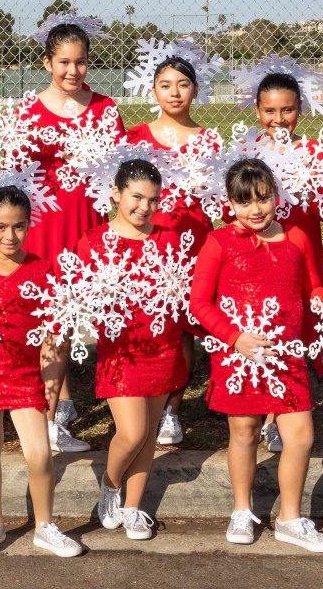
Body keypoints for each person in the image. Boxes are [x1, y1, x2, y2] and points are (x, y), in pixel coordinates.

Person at [190, 158, 323, 552]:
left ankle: (290, 518)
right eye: (245, 202)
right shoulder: (219, 242)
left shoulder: (296, 238)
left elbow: (312, 290)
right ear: (230, 203)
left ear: (276, 195)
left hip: (286, 354)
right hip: (239, 354)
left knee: (301, 436)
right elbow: (200, 304)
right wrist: (234, 338)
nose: (255, 210)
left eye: (263, 199)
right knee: (245, 433)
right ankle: (242, 509)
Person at [0, 184, 83, 557]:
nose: (9, 235)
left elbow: (53, 333)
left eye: (18, 227)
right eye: (0, 226)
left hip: (26, 378)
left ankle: (44, 526)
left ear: (30, 226)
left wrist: (50, 385)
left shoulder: (42, 270)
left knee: (40, 455)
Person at [21, 16, 125, 452]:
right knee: (53, 324)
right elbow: (15, 176)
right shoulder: (30, 110)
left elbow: (122, 172)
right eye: (63, 62)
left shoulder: (105, 109)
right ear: (48, 62)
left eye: (81, 62)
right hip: (47, 227)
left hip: (92, 227)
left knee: (102, 321)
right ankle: (46, 425)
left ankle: (114, 408)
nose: (72, 71)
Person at [83, 159, 187, 541]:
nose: (145, 207)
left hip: (163, 346)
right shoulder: (94, 241)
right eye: (137, 197)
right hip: (122, 351)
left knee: (149, 434)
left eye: (154, 200)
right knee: (133, 432)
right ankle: (110, 484)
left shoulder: (168, 238)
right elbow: (81, 293)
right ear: (116, 194)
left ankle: (134, 506)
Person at [125, 56, 219, 448]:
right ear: (154, 92)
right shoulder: (136, 137)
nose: (175, 92)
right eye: (166, 85)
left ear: (194, 89)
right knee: (147, 322)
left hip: (193, 241)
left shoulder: (208, 138)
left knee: (182, 326)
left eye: (182, 84)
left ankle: (171, 412)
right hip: (148, 241)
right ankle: (142, 402)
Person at [248, 72, 323, 454]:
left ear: (300, 109)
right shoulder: (248, 149)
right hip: (259, 255)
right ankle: (265, 411)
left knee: (296, 324)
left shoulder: (316, 153)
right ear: (257, 110)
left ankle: (285, 409)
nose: (278, 119)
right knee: (265, 324)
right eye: (270, 110)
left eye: (287, 110)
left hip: (301, 252)